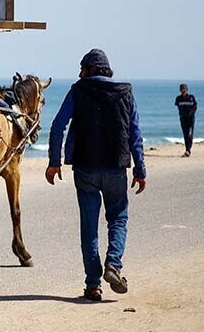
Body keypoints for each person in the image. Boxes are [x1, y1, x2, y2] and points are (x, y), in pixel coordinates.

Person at [45, 48, 147, 301]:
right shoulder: (125, 92)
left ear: (92, 69)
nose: (79, 74)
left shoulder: (78, 90)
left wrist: (54, 162)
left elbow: (58, 125)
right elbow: (135, 133)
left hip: (85, 169)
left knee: (89, 228)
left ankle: (93, 285)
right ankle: (113, 266)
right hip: (115, 169)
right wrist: (140, 169)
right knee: (118, 219)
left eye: (82, 69)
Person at [174, 83, 197, 157]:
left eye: (184, 90)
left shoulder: (191, 97)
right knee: (185, 135)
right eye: (181, 90)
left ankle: (188, 150)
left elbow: (195, 107)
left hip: (190, 119)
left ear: (187, 90)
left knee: (190, 134)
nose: (183, 91)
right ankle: (187, 150)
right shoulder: (178, 98)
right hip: (183, 119)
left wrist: (191, 113)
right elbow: (177, 106)